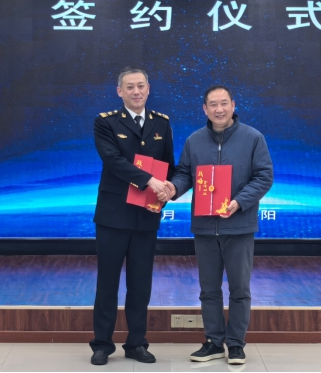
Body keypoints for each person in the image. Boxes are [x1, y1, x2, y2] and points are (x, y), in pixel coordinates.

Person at [160, 85, 273, 365]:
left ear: (233, 105)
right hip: (204, 228)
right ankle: (213, 342)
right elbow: (184, 173)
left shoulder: (253, 138)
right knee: (208, 290)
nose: (219, 109)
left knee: (239, 290)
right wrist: (173, 188)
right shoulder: (195, 140)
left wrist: (239, 202)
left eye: (224, 103)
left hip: (239, 226)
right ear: (205, 109)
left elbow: (264, 176)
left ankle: (235, 344)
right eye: (213, 104)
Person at [90, 66, 175, 365]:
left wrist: (169, 188)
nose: (136, 91)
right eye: (130, 87)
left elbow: (168, 165)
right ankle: (102, 344)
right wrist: (149, 181)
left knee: (140, 284)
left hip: (146, 216)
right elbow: (113, 160)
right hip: (113, 216)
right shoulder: (105, 122)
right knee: (108, 283)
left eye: (141, 86)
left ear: (148, 89)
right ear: (120, 91)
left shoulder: (162, 123)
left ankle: (136, 343)